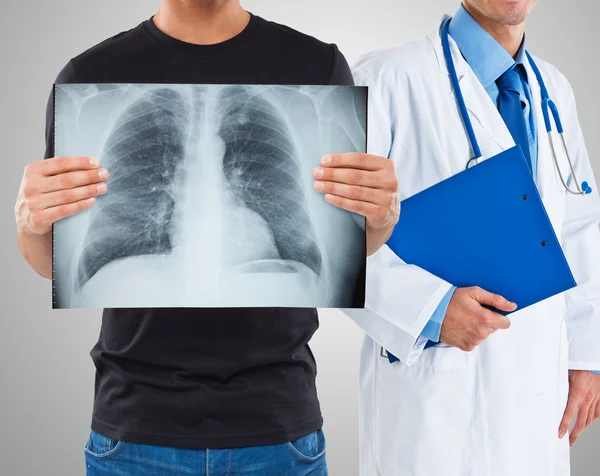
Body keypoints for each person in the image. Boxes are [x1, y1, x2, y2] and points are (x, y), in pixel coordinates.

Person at [13, 1, 399, 475]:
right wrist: (30, 225)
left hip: (278, 428)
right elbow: (49, 259)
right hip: (134, 432)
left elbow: (348, 252)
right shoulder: (89, 74)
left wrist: (379, 219)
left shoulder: (317, 65)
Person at [343, 1, 600, 475]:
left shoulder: (553, 90)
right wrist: (432, 309)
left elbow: (579, 226)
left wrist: (588, 356)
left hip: (538, 398)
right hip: (435, 402)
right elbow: (327, 241)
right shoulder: (384, 79)